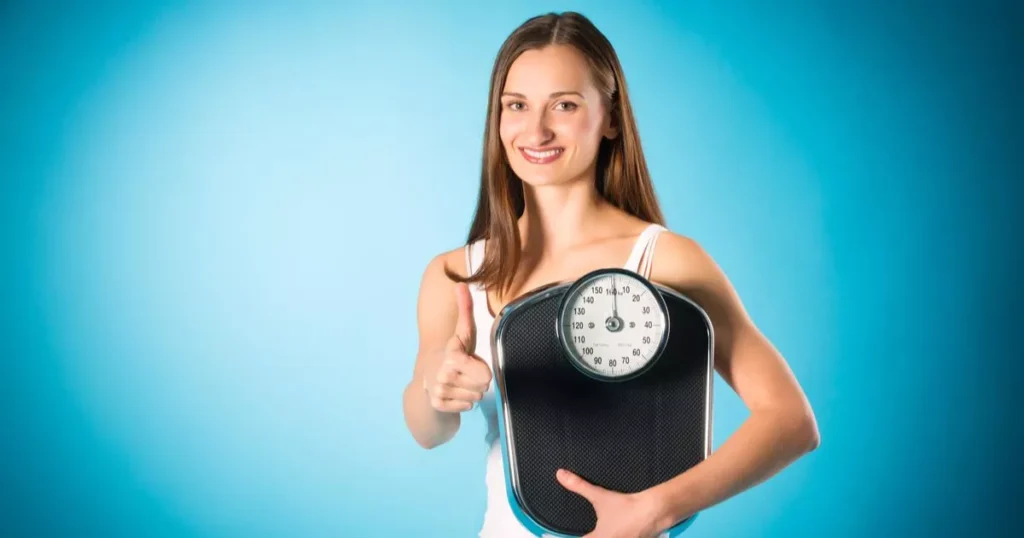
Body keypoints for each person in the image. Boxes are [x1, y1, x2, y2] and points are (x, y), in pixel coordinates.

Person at [401, 11, 820, 538]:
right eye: (517, 106)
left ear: (612, 117)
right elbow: (429, 433)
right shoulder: (457, 276)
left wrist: (658, 510)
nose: (536, 130)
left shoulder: (666, 262)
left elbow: (790, 421)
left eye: (565, 105)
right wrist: (437, 389)